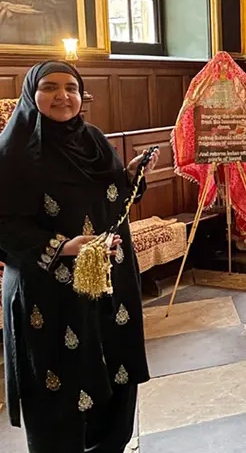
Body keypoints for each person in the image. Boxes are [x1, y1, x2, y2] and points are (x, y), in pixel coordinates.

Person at [0, 62, 159, 453]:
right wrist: (62, 246)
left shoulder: (92, 140)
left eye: (71, 88)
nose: (63, 96)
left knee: (113, 372)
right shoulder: (14, 152)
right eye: (50, 87)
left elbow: (110, 199)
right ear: (31, 94)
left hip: (107, 282)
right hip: (46, 291)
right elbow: (4, 225)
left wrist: (129, 177)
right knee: (58, 385)